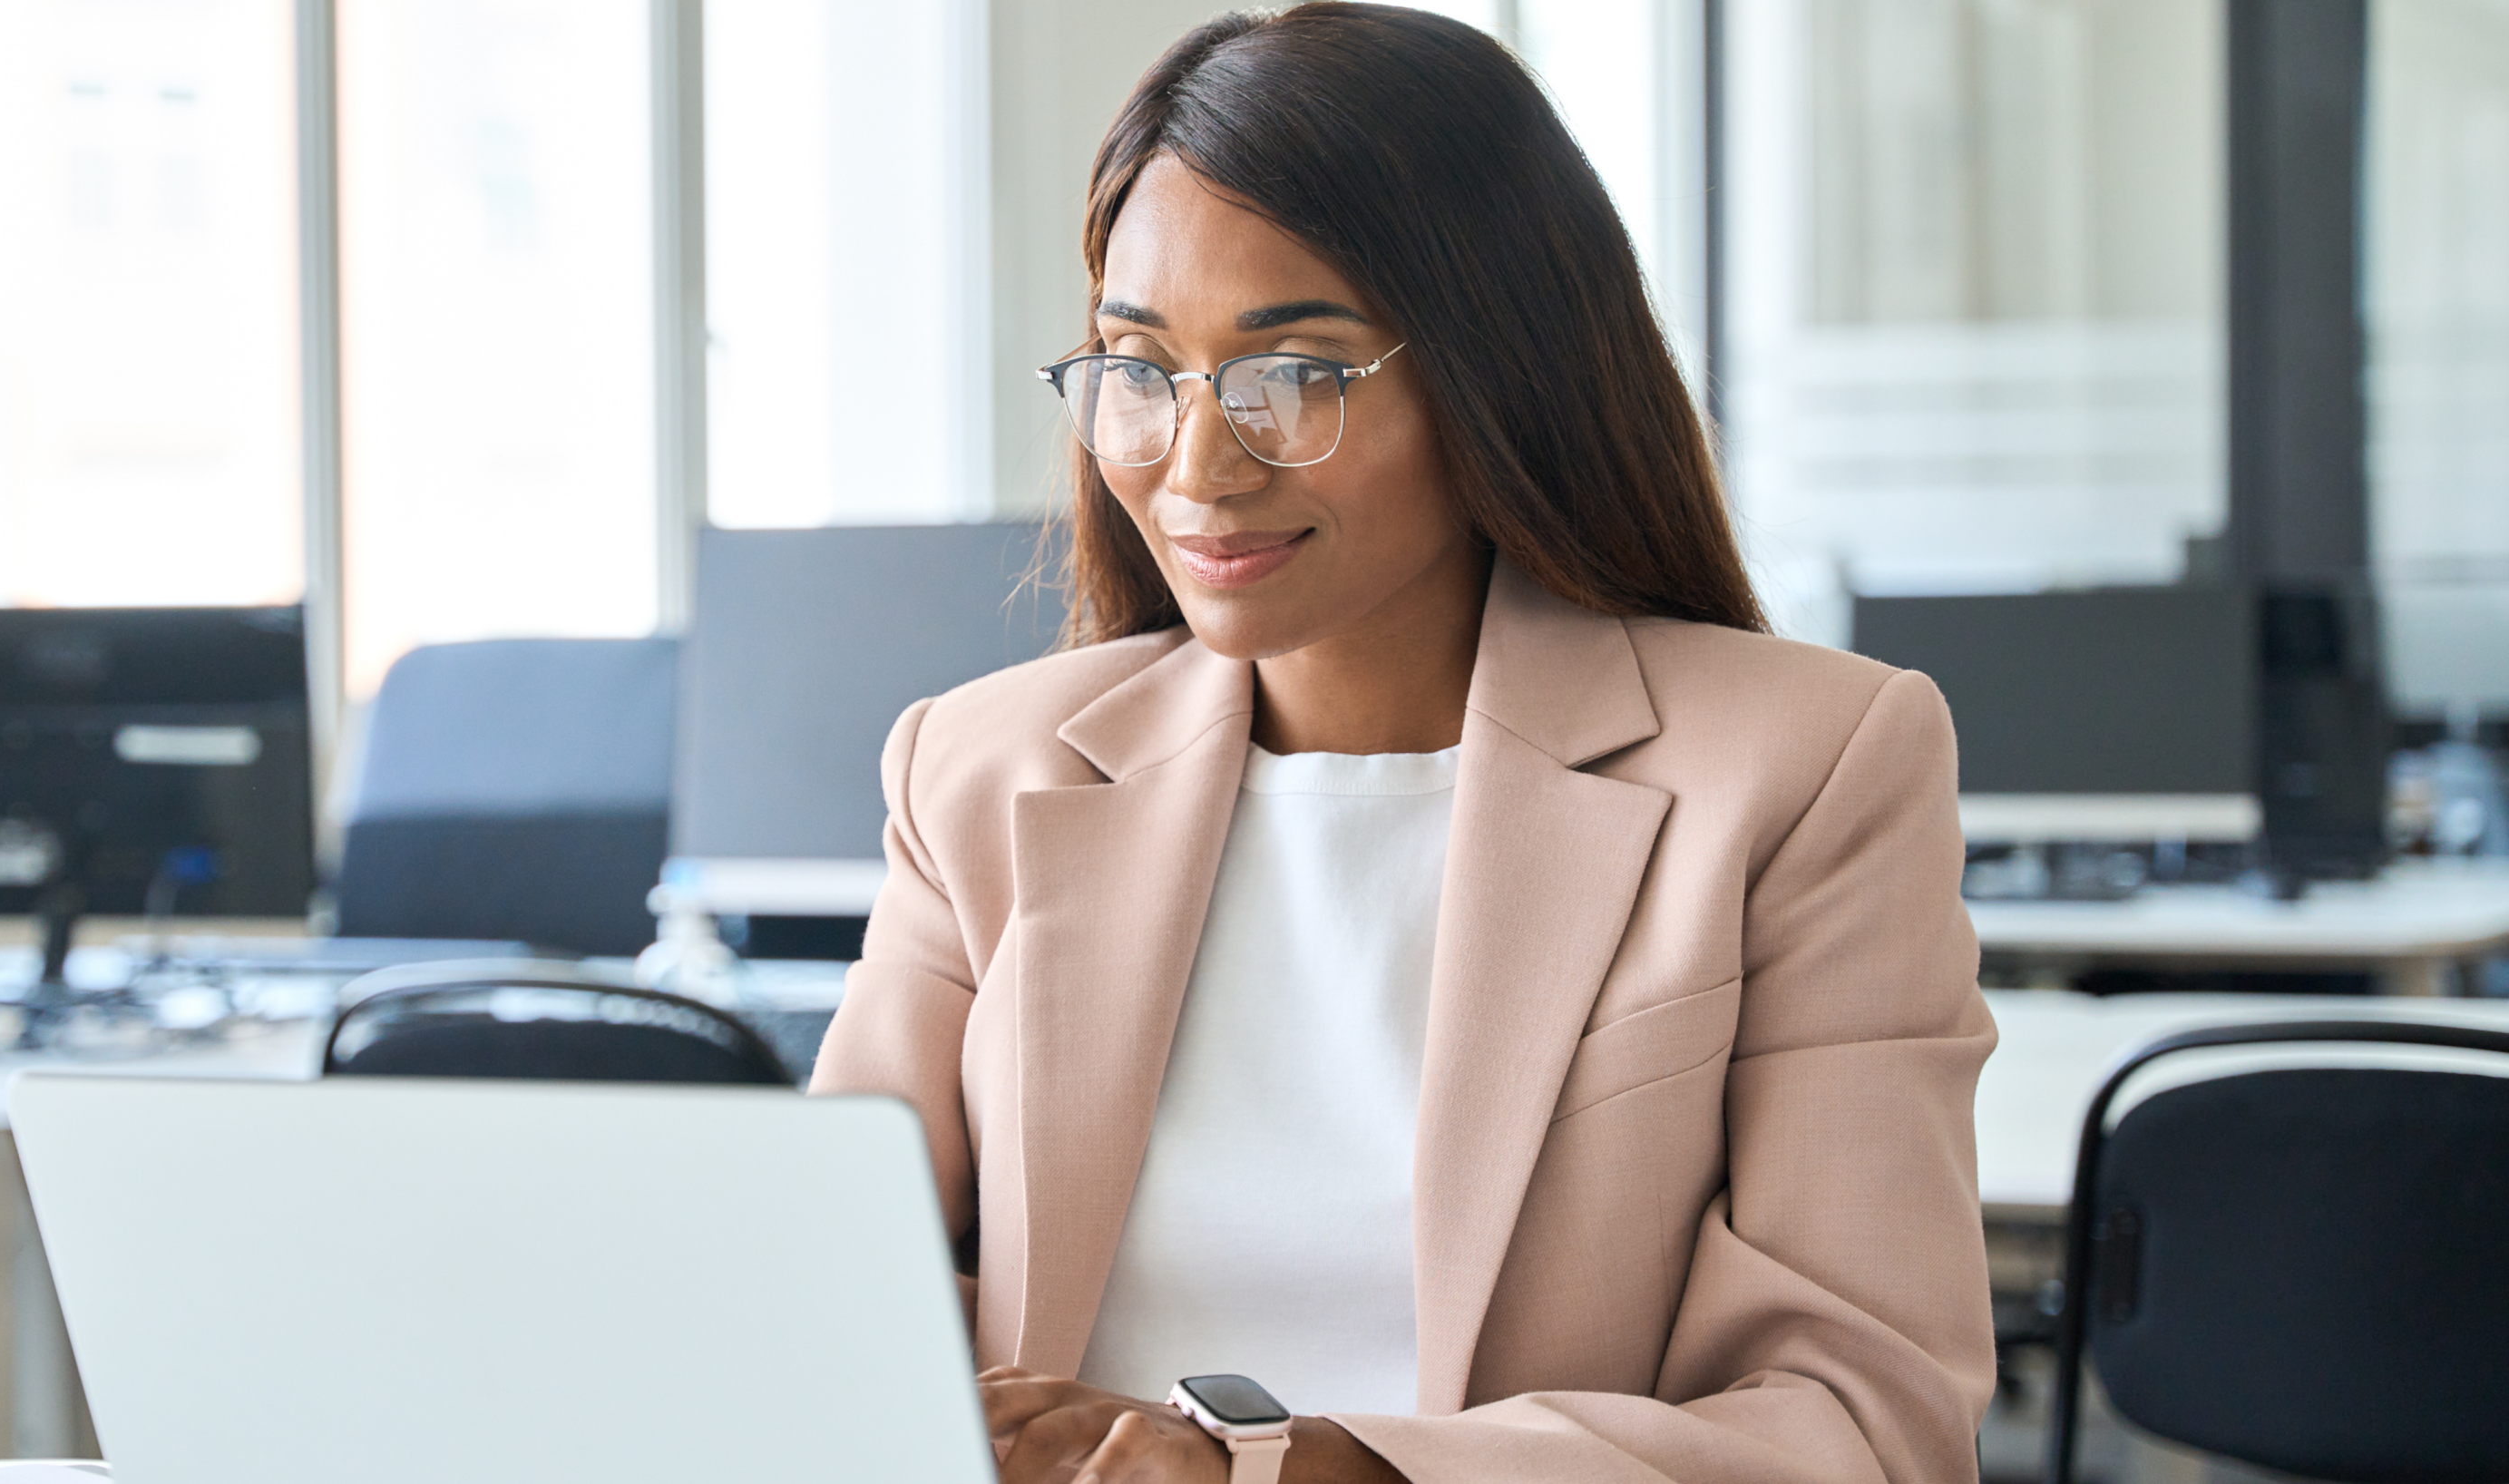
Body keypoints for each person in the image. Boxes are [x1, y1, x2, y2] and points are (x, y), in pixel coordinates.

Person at [804, 7, 1996, 1484]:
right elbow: (821, 1312)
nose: (1197, 466)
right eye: (1139, 367)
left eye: (1293, 371)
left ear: (1499, 372)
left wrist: (1304, 1469)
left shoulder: (1807, 768)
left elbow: (1865, 1422)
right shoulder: (979, 771)